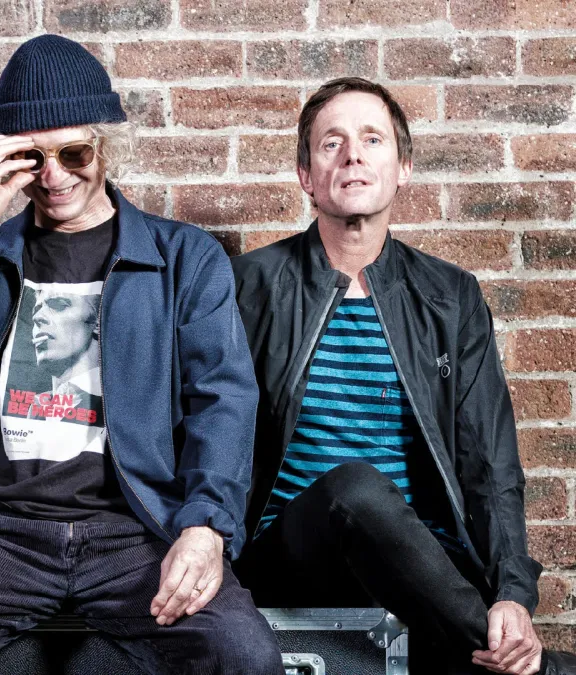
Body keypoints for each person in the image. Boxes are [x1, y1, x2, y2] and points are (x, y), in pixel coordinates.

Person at [0, 34, 282, 675]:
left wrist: (206, 526)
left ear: (105, 146)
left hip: (137, 530)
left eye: (73, 153)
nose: (53, 177)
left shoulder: (184, 258)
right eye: (32, 157)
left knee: (243, 655)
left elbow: (222, 399)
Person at [232, 77, 576, 675]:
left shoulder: (450, 296)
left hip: (422, 570)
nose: (353, 156)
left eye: (373, 140)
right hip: (289, 555)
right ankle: (531, 670)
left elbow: (489, 462)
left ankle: (493, 650)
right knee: (355, 489)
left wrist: (513, 594)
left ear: (403, 169)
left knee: (378, 502)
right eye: (332, 143)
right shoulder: (247, 286)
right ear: (306, 175)